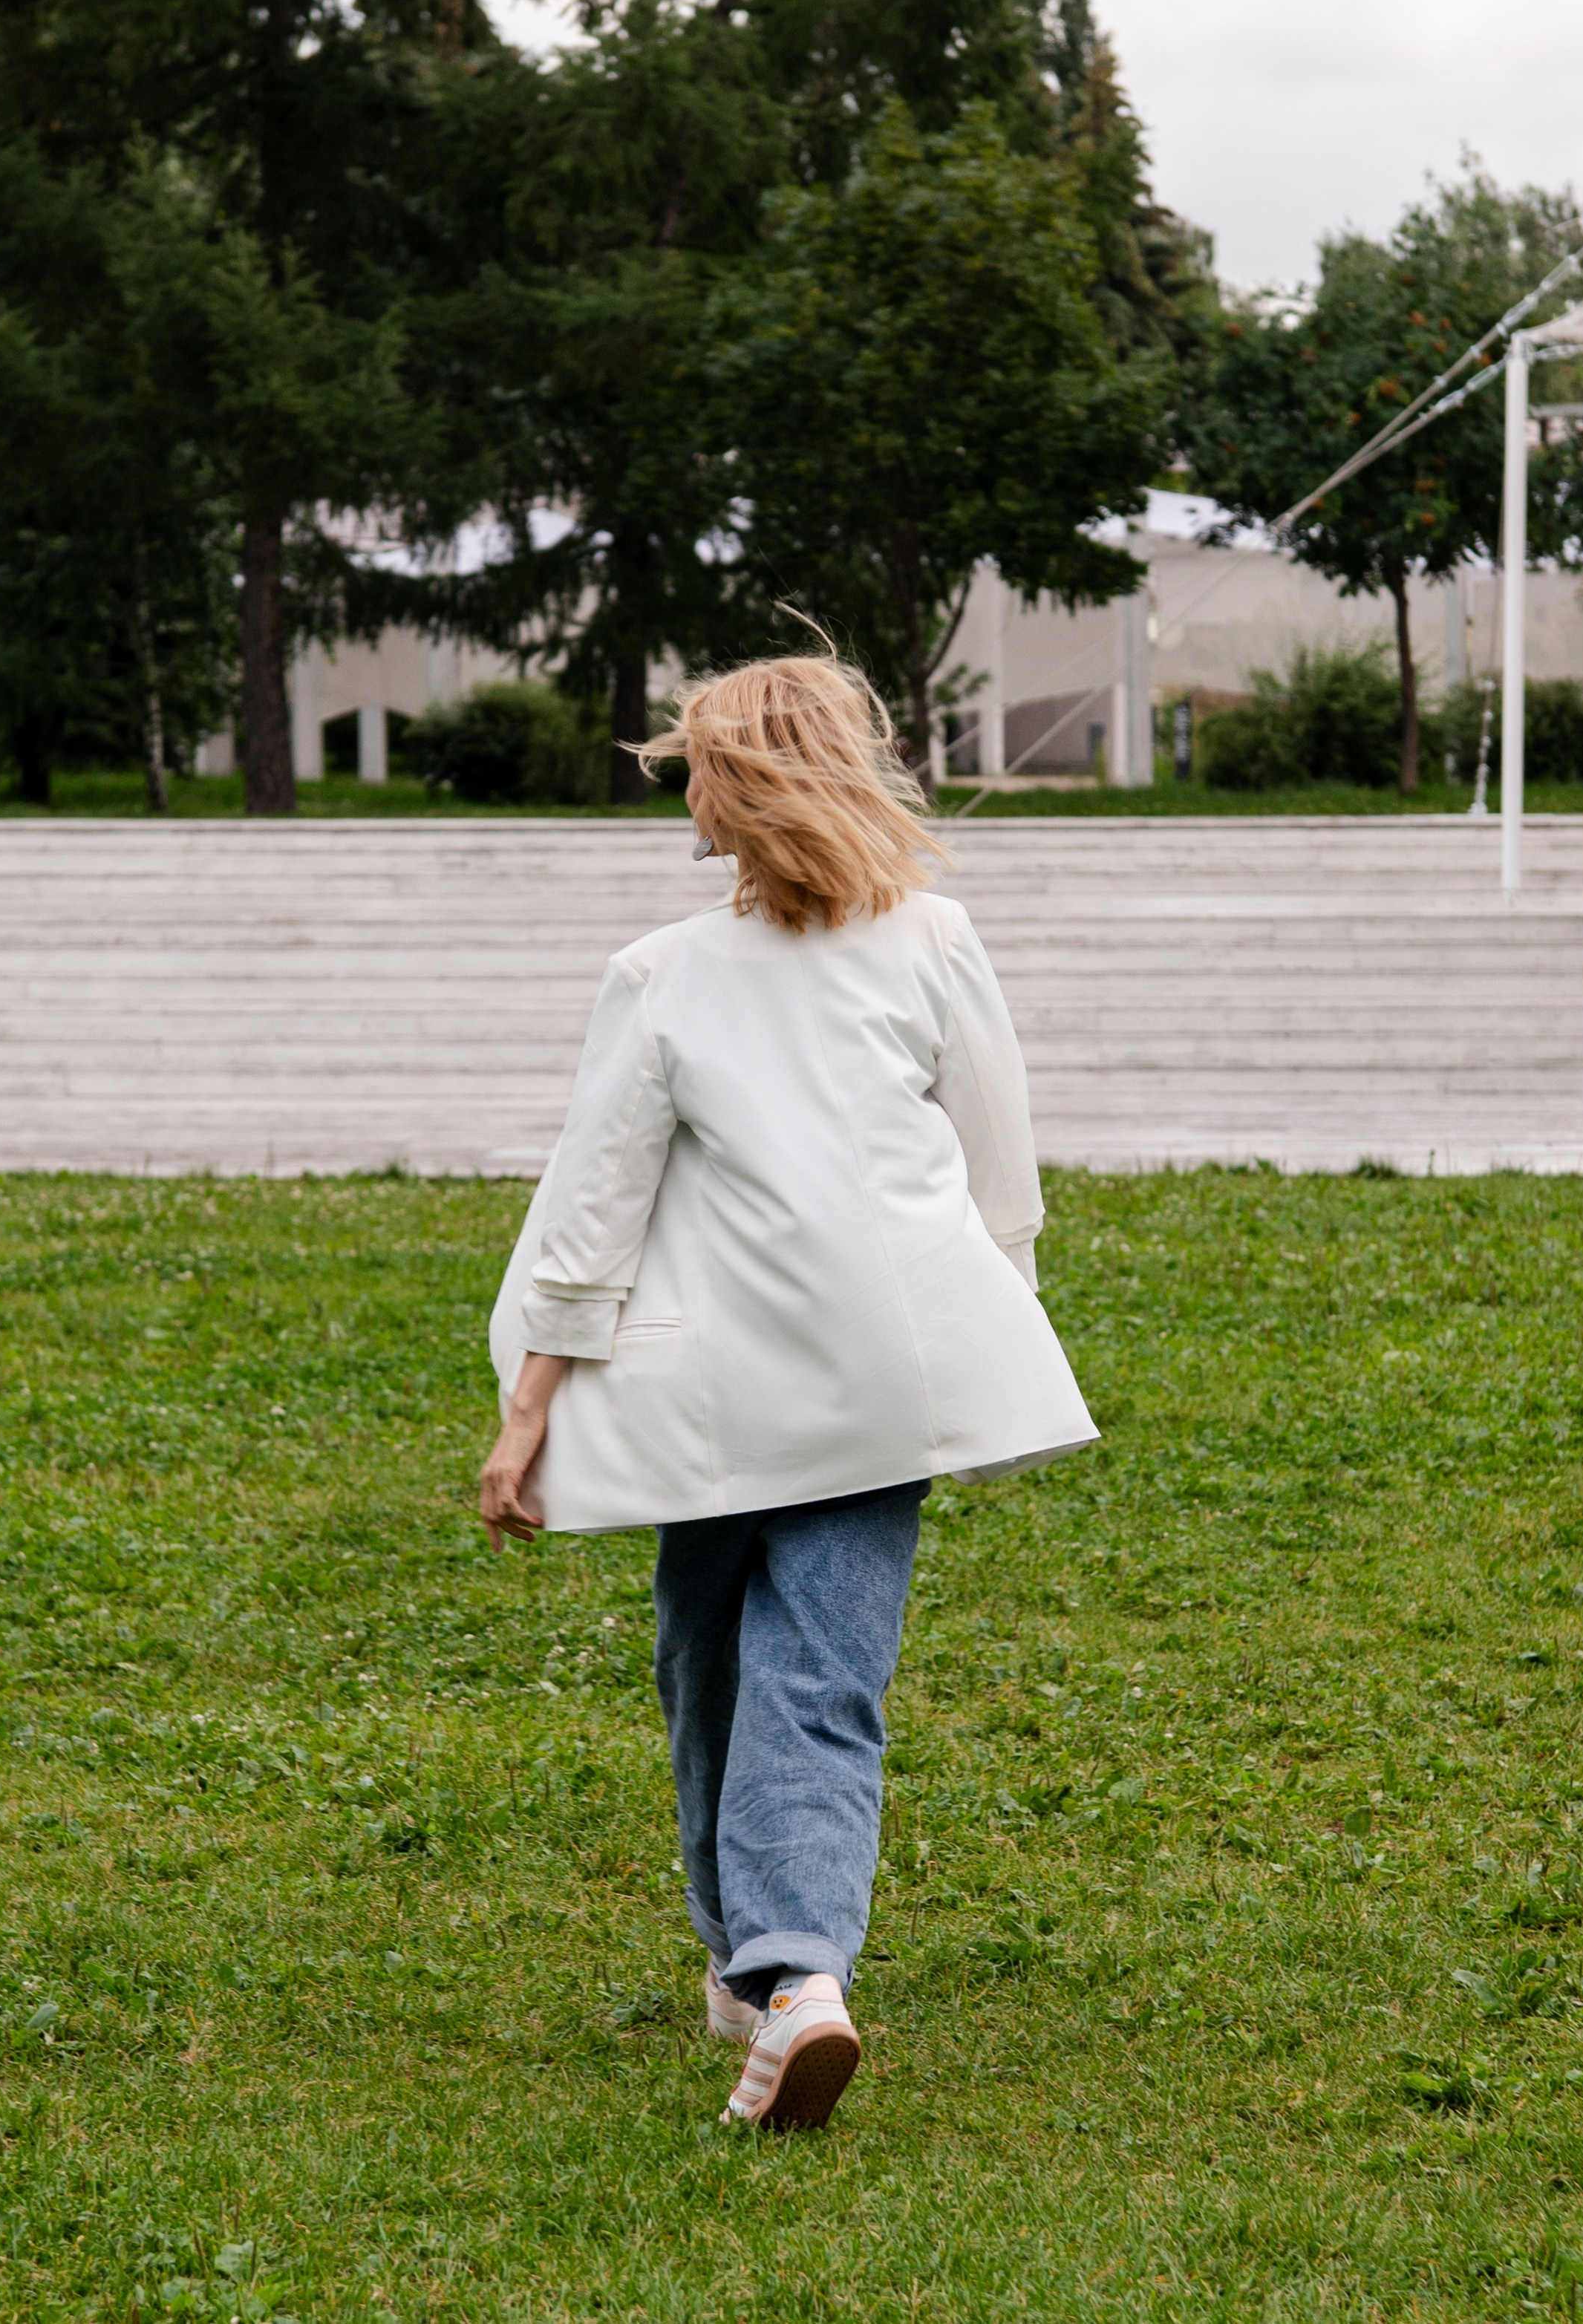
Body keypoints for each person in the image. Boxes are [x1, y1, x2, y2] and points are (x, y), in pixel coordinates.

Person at [481, 655, 1097, 2130]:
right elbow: (998, 1182)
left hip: (719, 1406)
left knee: (715, 1664)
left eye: (694, 764)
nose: (683, 791)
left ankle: (784, 1970)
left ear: (742, 787)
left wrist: (528, 1408)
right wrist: (995, 1334)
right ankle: (767, 1972)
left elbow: (591, 1207)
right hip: (885, 1383)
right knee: (804, 1676)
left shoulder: (666, 977)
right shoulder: (926, 940)